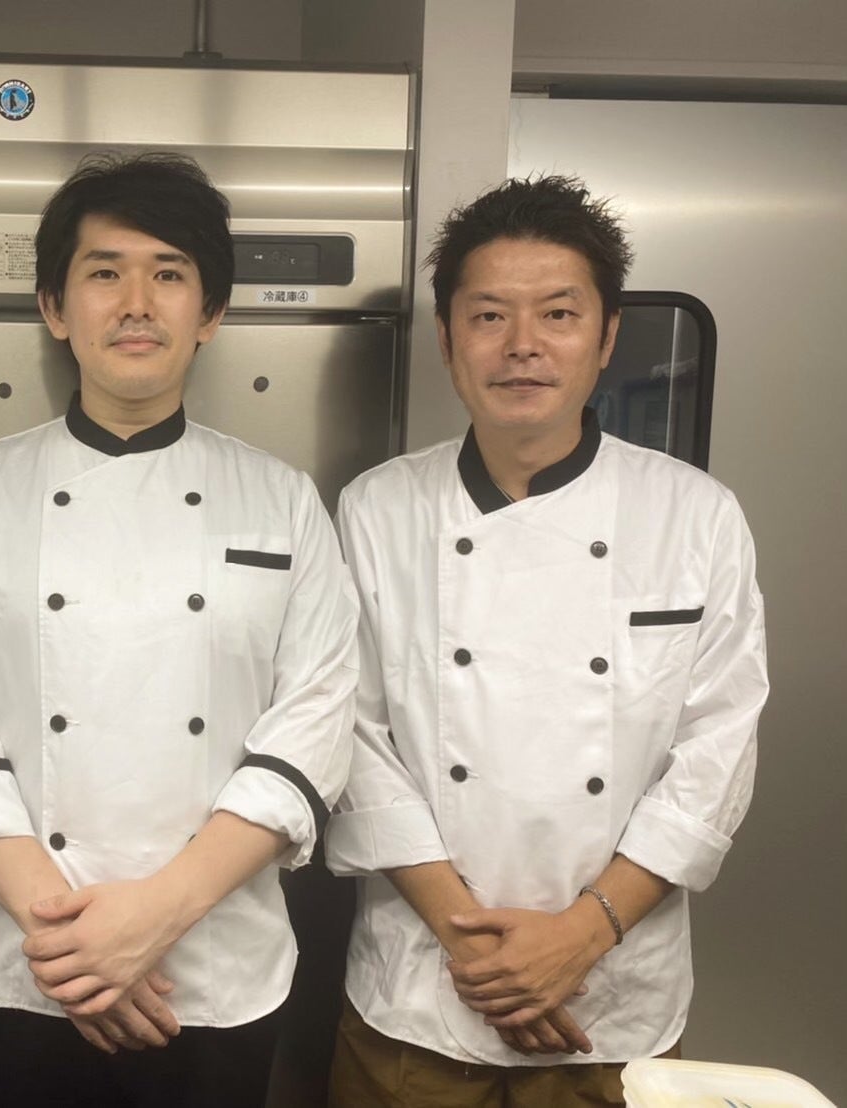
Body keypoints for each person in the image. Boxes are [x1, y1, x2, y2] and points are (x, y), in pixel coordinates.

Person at [0, 152, 359, 1108]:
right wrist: (76, 946)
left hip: (217, 963)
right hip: (29, 960)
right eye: (104, 272)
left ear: (212, 312)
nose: (136, 304)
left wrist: (153, 919)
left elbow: (316, 721)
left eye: (169, 274)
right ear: (54, 307)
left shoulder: (281, 500)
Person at [324, 175, 768, 1106]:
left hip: (611, 998)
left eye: (559, 314)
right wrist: (480, 953)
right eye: (489, 315)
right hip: (425, 989)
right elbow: (352, 737)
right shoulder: (376, 509)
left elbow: (718, 749)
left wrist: (579, 937)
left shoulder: (696, 515)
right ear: (448, 340)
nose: (522, 344)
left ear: (605, 338)